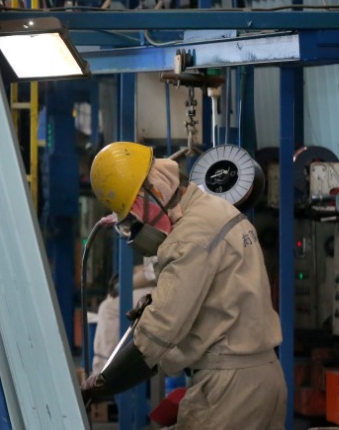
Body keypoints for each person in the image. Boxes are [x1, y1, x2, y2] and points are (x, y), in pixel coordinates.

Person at [83, 141, 285, 430]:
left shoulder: (189, 236)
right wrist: (160, 297)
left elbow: (157, 335)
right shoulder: (213, 209)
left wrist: (102, 384)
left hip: (229, 390)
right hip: (264, 378)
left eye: (135, 218)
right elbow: (213, 294)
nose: (138, 231)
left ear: (152, 192)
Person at [91, 262, 157, 375]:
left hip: (169, 289)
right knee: (109, 303)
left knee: (108, 310)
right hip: (161, 284)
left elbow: (153, 272)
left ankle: (103, 373)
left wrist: (122, 285)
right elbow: (150, 265)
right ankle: (104, 368)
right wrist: (134, 271)